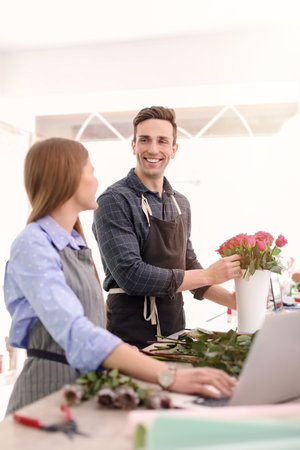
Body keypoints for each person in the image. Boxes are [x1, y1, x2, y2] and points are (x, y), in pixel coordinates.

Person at [4, 137, 235, 415]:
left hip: (84, 389)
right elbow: (77, 332)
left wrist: (125, 356)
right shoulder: (33, 244)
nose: (96, 181)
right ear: (68, 178)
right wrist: (169, 375)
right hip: (45, 396)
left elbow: (90, 321)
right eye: (90, 171)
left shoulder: (75, 242)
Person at [93, 106, 242, 349]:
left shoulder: (180, 202)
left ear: (173, 149)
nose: (153, 149)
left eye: (162, 141)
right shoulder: (114, 201)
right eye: (145, 140)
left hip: (174, 331)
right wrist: (208, 275)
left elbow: (187, 264)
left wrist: (233, 300)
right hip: (128, 338)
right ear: (133, 146)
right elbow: (131, 275)